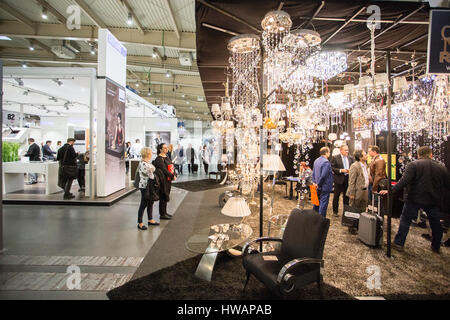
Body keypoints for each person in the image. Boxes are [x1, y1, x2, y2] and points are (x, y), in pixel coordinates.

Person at [380, 146, 450, 253]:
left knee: (405, 220)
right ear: (431, 154)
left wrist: (391, 191)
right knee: (435, 223)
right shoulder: (441, 167)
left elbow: (404, 182)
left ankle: (399, 243)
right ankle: (436, 246)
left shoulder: (413, 165)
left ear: (418, 155)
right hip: (433, 200)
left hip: (413, 198)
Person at [137, 147, 159, 230]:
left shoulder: (146, 163)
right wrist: (152, 169)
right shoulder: (143, 164)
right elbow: (151, 175)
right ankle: (140, 223)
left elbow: (152, 170)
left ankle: (150, 219)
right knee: (143, 204)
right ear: (148, 154)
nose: (151, 154)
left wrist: (152, 169)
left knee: (150, 203)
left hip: (149, 186)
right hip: (145, 186)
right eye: (150, 153)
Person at [153, 143, 176, 220]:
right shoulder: (159, 159)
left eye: (167, 148)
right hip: (163, 180)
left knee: (166, 195)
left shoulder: (167, 156)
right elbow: (164, 170)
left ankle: (165, 212)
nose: (166, 149)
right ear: (160, 149)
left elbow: (171, 165)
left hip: (168, 180)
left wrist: (174, 173)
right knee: (163, 195)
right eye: (165, 148)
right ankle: (162, 214)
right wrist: (172, 176)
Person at [331, 144, 354, 217]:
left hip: (348, 179)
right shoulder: (335, 158)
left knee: (346, 197)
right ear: (341, 150)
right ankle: (335, 211)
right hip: (339, 180)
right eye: (345, 150)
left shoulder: (350, 158)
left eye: (347, 150)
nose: (347, 151)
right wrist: (341, 170)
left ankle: (346, 212)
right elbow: (332, 168)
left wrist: (350, 171)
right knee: (336, 196)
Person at [312, 147, 334, 217]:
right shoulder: (326, 162)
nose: (329, 154)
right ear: (326, 153)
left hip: (316, 185)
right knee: (323, 204)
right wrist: (318, 184)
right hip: (324, 186)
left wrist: (314, 183)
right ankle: (321, 220)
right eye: (329, 152)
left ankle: (314, 218)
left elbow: (313, 173)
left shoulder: (316, 160)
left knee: (316, 203)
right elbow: (323, 175)